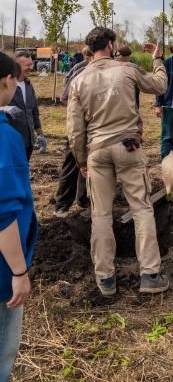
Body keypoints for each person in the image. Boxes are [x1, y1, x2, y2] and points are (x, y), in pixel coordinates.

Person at [68, 27, 169, 297]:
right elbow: (159, 86)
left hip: (97, 152)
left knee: (100, 214)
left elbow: (75, 130)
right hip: (128, 147)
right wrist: (158, 60)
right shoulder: (127, 69)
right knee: (142, 209)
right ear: (111, 45)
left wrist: (81, 159)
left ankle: (106, 280)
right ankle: (150, 275)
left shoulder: (78, 80)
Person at [0, 52, 38, 381]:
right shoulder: (5, 138)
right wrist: (18, 270)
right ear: (8, 81)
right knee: (3, 350)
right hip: (1, 273)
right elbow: (3, 214)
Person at [53, 47, 94, 218]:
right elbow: (64, 98)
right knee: (72, 162)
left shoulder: (101, 72)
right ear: (90, 56)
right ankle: (62, 204)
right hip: (78, 127)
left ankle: (82, 198)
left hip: (94, 127)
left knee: (89, 163)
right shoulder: (80, 70)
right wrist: (78, 113)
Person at [9, 50, 46, 158]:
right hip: (11, 142)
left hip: (28, 142)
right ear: (16, 66)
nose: (31, 67)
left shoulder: (29, 85)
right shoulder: (5, 86)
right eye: (28, 65)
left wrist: (40, 134)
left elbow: (34, 112)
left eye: (31, 64)